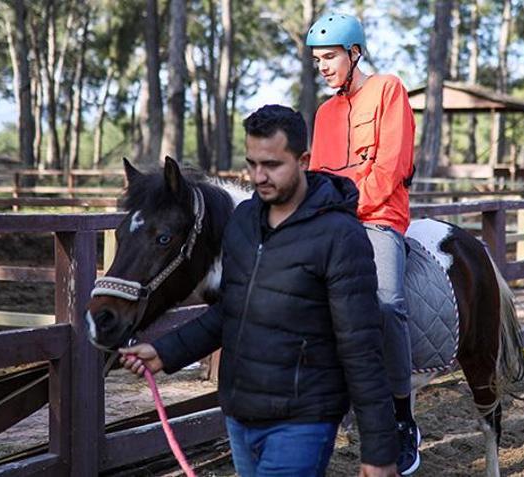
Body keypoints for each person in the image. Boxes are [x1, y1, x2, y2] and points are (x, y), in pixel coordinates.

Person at [119, 105, 398, 477]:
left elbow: (360, 344)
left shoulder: (340, 236)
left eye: (272, 165)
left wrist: (379, 449)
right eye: (251, 164)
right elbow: (231, 308)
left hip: (302, 421)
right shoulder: (245, 222)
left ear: (303, 160)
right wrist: (165, 351)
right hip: (239, 416)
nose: (258, 176)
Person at [306, 12, 420, 475]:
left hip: (378, 220)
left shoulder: (389, 90)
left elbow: (390, 168)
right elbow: (316, 177)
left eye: (330, 57)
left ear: (355, 53)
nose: (323, 67)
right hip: (331, 225)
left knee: (388, 303)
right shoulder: (324, 113)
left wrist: (343, 213)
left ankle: (402, 418)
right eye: (317, 60)